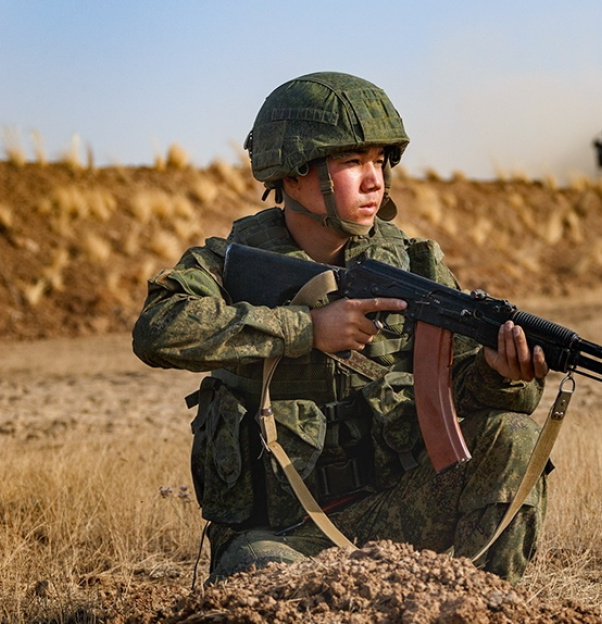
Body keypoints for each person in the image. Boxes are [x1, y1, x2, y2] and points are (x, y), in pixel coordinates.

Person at [132, 71, 549, 584]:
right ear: (293, 174)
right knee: (267, 581)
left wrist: (497, 374)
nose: (375, 181)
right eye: (352, 162)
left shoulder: (415, 265)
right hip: (284, 536)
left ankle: (477, 605)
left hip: (396, 511)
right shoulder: (228, 262)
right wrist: (306, 329)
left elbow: (457, 390)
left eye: (380, 161)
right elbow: (158, 328)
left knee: (513, 435)